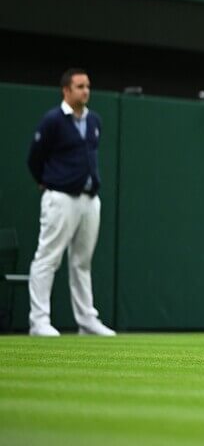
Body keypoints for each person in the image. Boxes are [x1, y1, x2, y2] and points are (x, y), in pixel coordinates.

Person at [26, 69, 116, 337]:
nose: (85, 91)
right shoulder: (53, 121)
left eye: (88, 86)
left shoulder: (95, 121)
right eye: (79, 86)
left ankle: (87, 320)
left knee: (82, 262)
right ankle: (39, 321)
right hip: (60, 198)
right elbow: (34, 157)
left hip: (89, 199)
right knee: (47, 258)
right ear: (66, 90)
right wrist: (46, 180)